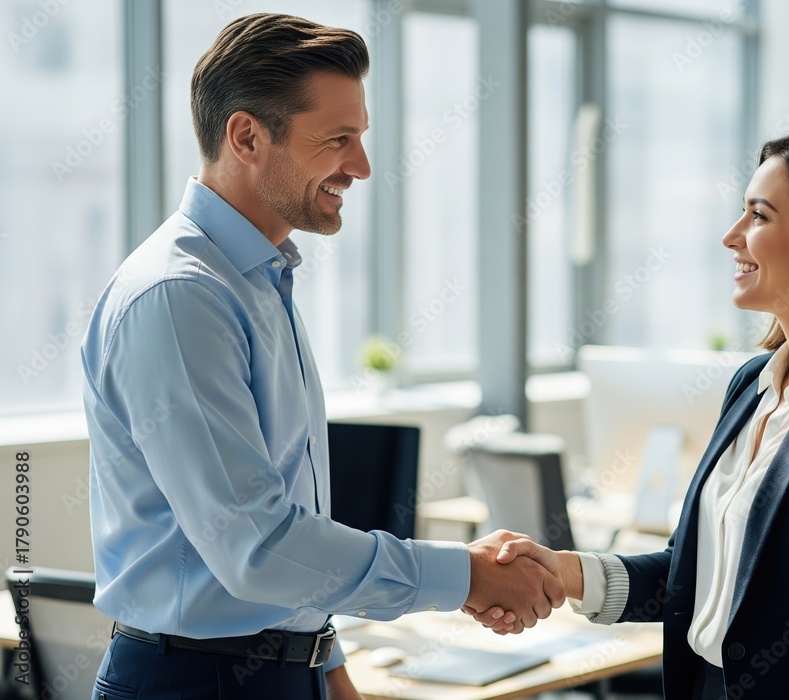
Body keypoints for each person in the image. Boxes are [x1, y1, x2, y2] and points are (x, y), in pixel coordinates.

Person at [81, 14, 562, 700]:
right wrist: (467, 574)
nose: (361, 166)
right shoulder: (181, 298)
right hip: (196, 682)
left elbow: (280, 541)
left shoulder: (259, 283)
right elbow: (257, 547)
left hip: (278, 673)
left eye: (360, 138)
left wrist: (325, 662)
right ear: (246, 136)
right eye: (338, 140)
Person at [469, 130, 789, 699]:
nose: (731, 236)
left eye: (759, 216)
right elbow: (691, 574)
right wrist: (561, 570)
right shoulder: (752, 385)